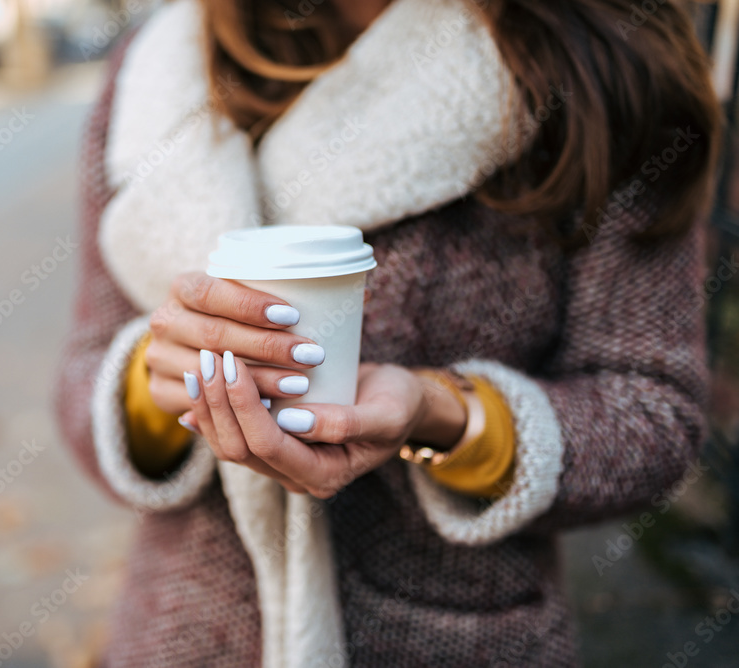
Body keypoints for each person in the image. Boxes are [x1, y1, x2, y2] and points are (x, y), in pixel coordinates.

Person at [55, 0, 721, 664]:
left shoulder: (602, 57)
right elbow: (85, 373)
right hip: (180, 633)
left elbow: (653, 412)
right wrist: (154, 383)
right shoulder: (159, 75)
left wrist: (444, 415)